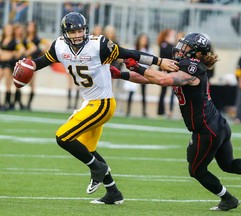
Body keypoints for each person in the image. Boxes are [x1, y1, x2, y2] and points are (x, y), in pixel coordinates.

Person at [110, 32, 241, 211]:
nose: (181, 48)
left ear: (196, 52)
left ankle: (228, 199)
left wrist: (138, 66)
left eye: (186, 46)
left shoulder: (192, 67)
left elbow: (162, 80)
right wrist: (122, 74)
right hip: (219, 124)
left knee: (195, 170)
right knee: (228, 164)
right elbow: (152, 78)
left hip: (206, 129)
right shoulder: (186, 65)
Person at [14, 12, 177, 204]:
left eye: (80, 30)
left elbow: (131, 54)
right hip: (89, 102)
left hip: (103, 103)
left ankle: (97, 168)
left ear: (86, 30)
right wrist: (29, 64)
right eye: (73, 31)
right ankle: (113, 192)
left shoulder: (99, 45)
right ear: (66, 33)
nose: (77, 35)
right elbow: (42, 61)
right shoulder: (59, 46)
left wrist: (159, 61)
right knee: (86, 148)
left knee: (63, 137)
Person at [23, 21, 51, 110]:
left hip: (33, 63)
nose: (31, 28)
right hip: (23, 62)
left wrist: (42, 51)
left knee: (32, 83)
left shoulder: (37, 39)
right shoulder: (24, 39)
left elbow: (48, 44)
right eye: (29, 26)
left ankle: (28, 104)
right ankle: (19, 102)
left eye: (32, 26)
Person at [124, 33, 153, 117]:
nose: (144, 41)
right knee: (131, 91)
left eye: (145, 39)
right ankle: (128, 110)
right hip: (135, 72)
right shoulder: (134, 49)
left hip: (145, 72)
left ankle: (144, 111)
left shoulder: (148, 50)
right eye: (142, 39)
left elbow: (150, 62)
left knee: (144, 92)